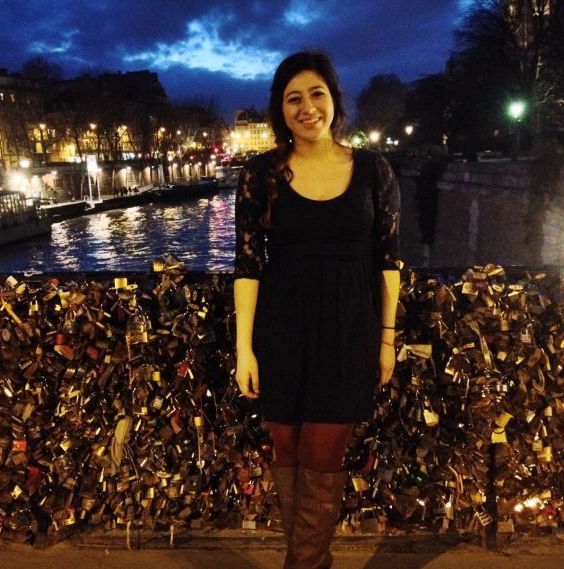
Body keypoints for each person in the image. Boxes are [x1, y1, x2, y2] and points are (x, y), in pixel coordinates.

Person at [234, 51, 401, 568]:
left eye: (316, 94)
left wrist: (386, 339)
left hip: (350, 331)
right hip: (280, 332)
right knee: (287, 457)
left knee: (322, 456)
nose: (307, 107)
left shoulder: (373, 170)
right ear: (279, 110)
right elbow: (246, 265)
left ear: (334, 100)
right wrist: (245, 348)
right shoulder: (260, 175)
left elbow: (389, 261)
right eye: (293, 98)